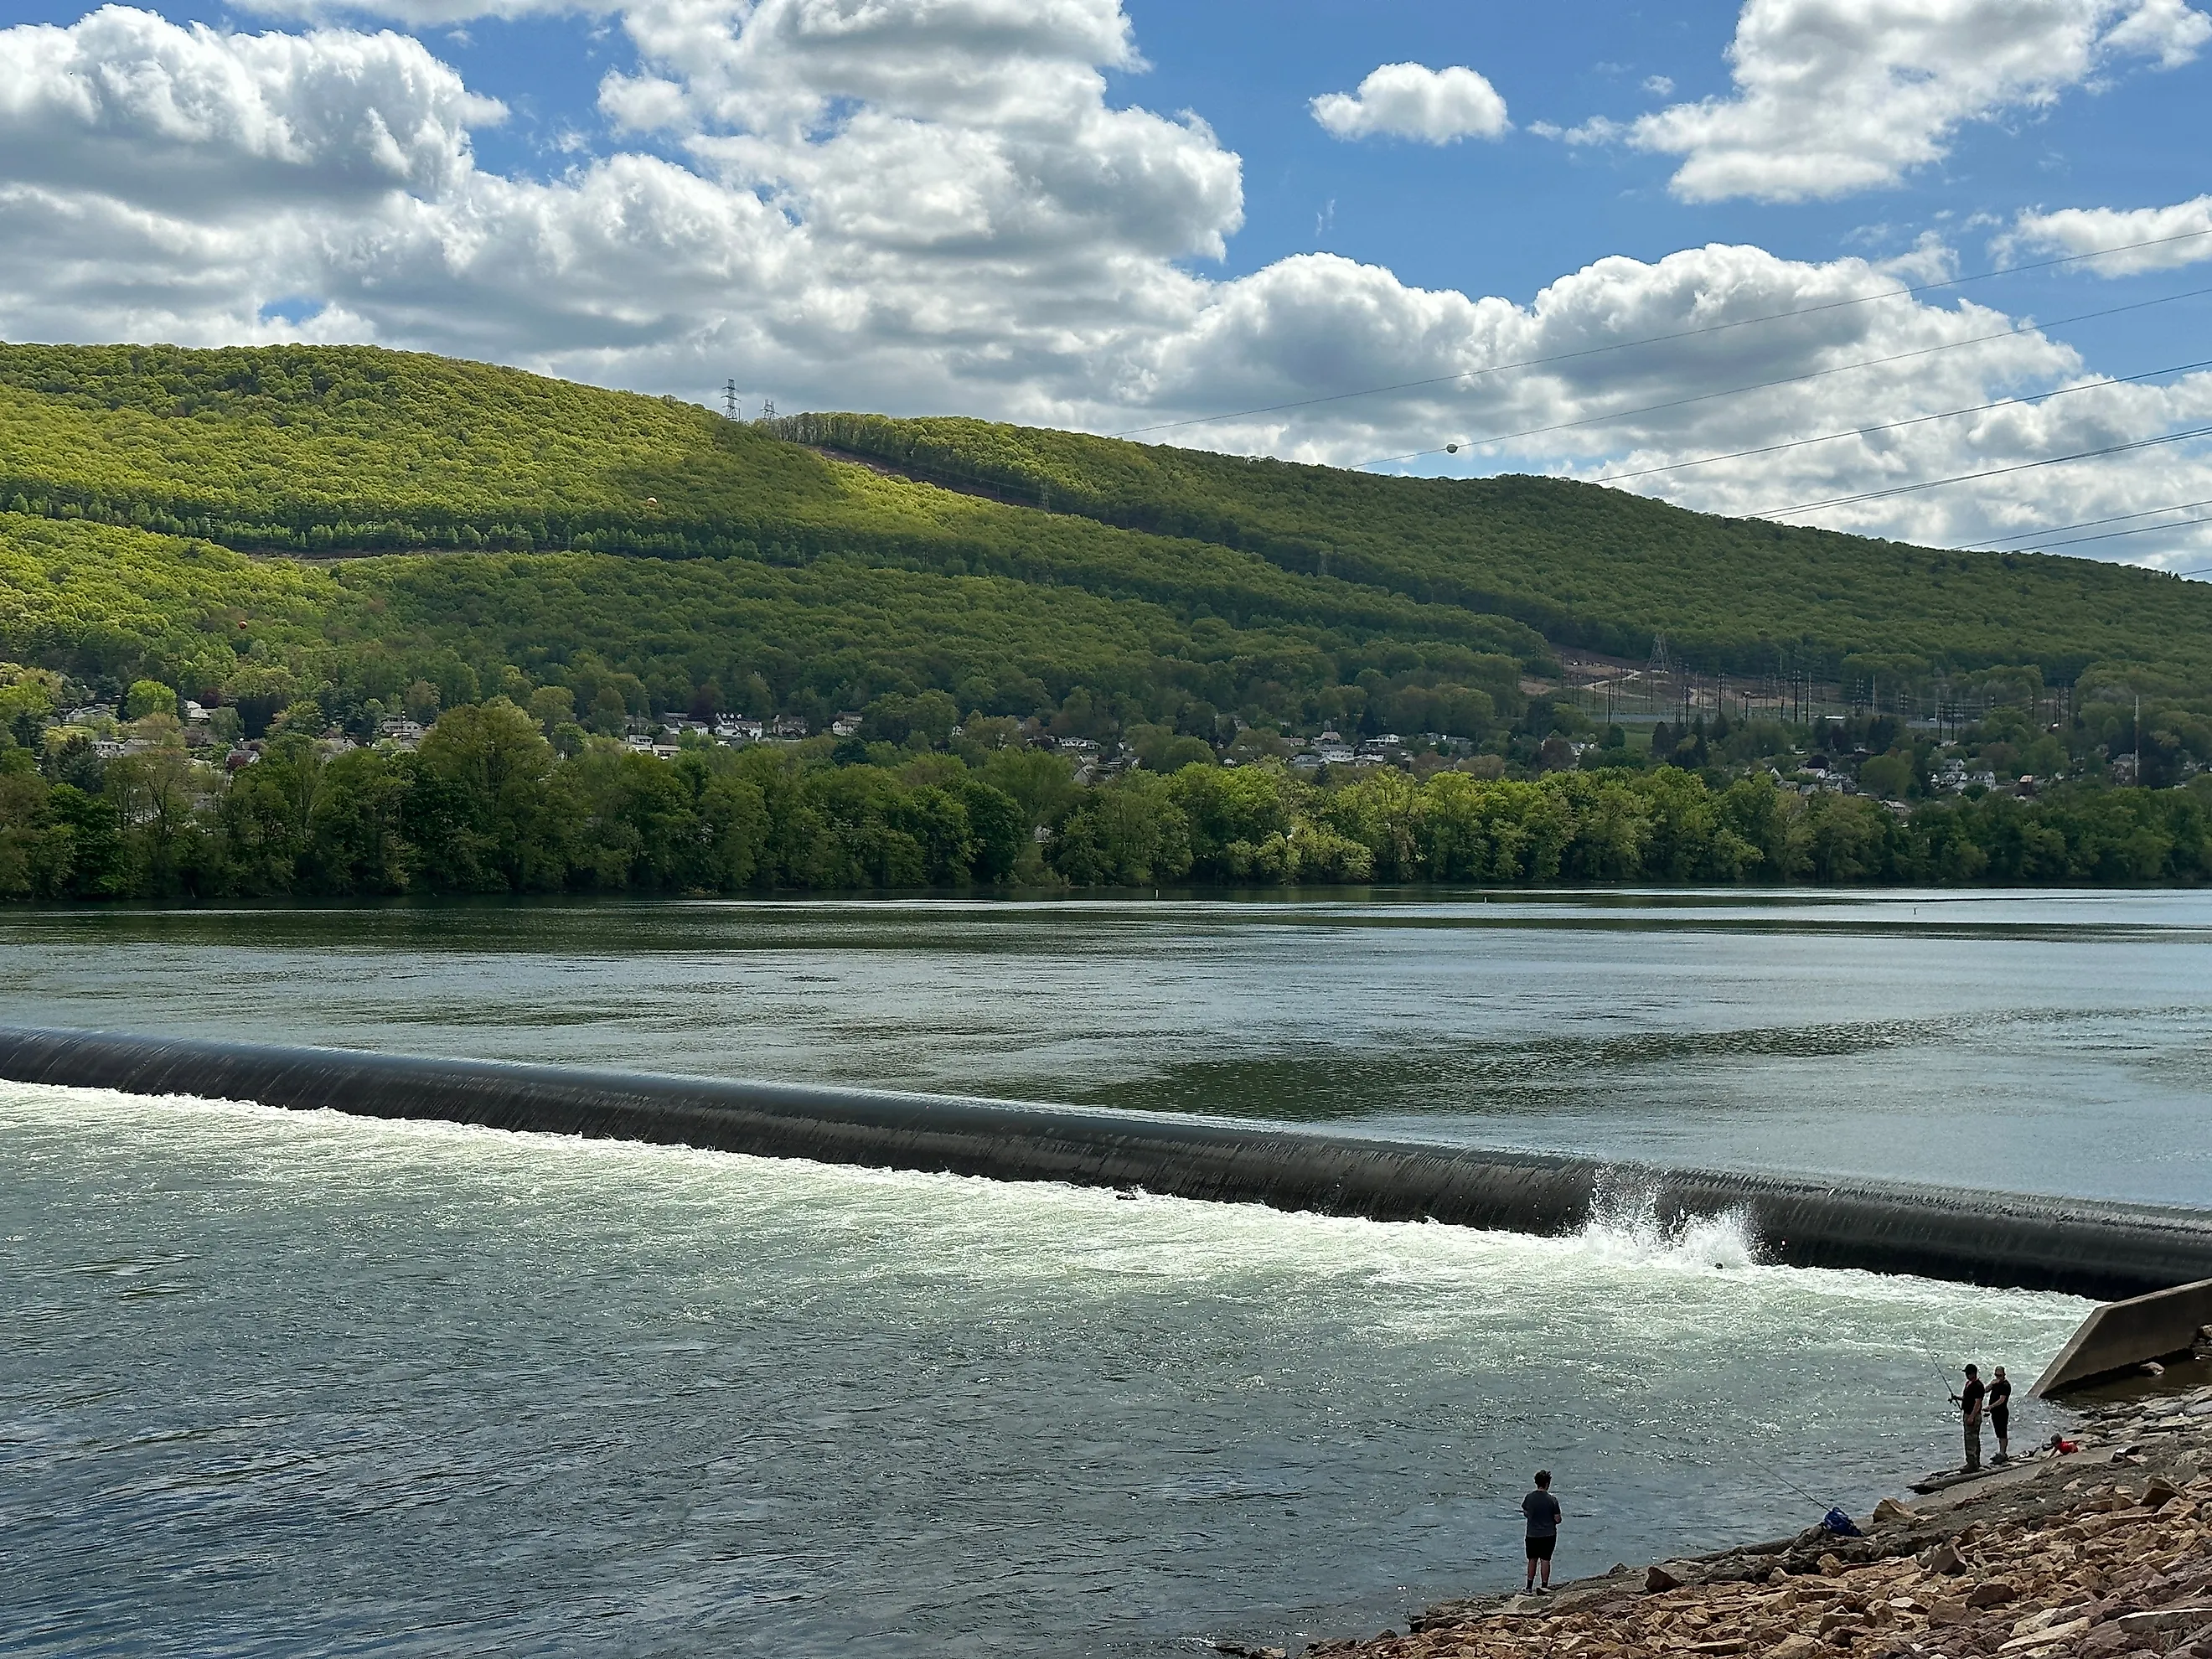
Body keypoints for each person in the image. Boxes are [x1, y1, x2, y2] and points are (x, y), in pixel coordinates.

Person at [1522, 1470, 1563, 1594]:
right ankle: (1544, 1587)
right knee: (1545, 1560)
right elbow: (1558, 1519)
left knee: (1532, 1560)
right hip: (1548, 1535)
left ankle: (1529, 1587)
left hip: (1532, 1534)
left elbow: (1526, 1512)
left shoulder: (1529, 1497)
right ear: (1547, 1484)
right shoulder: (1552, 1500)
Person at [1958, 1364, 1986, 1472]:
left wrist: (1972, 1417)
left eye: (1967, 1373)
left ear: (1973, 1374)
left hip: (1972, 1415)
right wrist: (1957, 1398)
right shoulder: (1968, 1384)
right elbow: (1967, 1399)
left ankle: (1972, 1464)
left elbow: (1978, 1403)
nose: (1966, 1375)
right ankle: (1975, 1462)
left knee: (1970, 1440)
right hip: (1967, 1413)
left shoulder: (1978, 1386)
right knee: (1973, 1439)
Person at [1987, 1367, 2012, 1465]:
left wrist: (1990, 1407)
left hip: (2002, 1412)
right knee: (1998, 1433)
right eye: (1996, 1375)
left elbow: (2002, 1400)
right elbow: (1985, 1390)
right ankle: (2000, 1452)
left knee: (2003, 1433)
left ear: (2004, 1375)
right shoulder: (1996, 1383)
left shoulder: (2005, 1385)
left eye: (2000, 1375)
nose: (1998, 1377)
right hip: (1995, 1413)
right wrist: (1991, 1384)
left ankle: (2003, 1453)